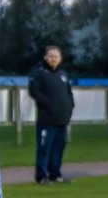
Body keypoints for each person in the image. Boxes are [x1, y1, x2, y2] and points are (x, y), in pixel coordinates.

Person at [28, 44, 74, 184]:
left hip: (61, 120)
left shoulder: (63, 74)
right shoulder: (39, 73)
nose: (54, 59)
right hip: (46, 120)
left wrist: (70, 105)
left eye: (56, 56)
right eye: (51, 56)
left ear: (60, 58)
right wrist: (47, 104)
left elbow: (69, 93)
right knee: (44, 149)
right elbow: (34, 91)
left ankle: (55, 174)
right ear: (46, 57)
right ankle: (41, 176)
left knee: (58, 148)